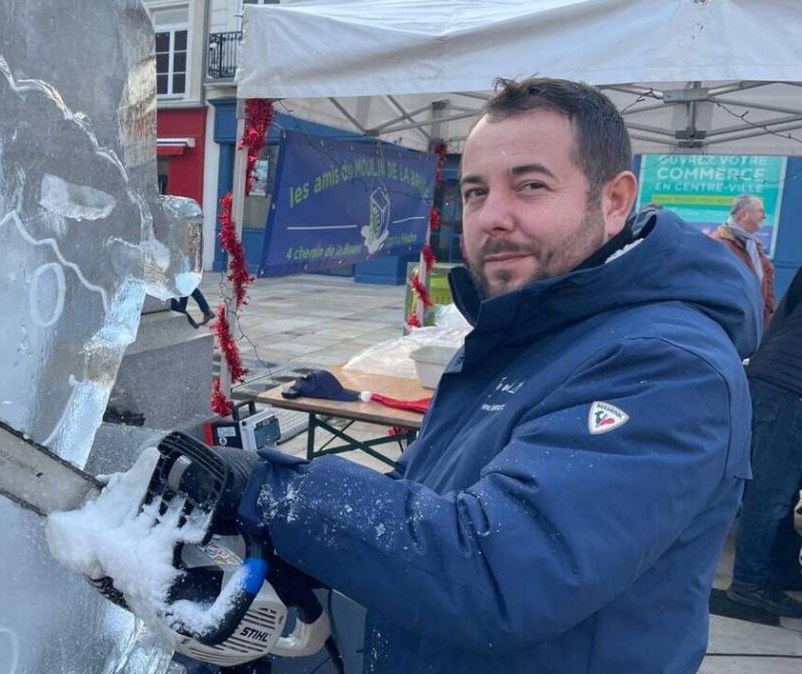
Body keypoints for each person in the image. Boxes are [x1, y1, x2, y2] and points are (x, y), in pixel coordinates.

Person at [200, 78, 760, 673]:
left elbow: (500, 572)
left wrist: (273, 492)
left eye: (530, 186)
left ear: (615, 201)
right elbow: (425, 506)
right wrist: (306, 554)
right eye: (474, 192)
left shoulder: (668, 366)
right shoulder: (528, 330)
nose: (492, 217)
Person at [728, 269, 802, 616]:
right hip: (789, 386)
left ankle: (782, 571)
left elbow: (786, 309)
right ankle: (748, 585)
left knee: (782, 490)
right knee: (771, 494)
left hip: (774, 378)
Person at [710, 194, 776, 328]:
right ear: (744, 215)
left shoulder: (754, 244)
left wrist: (768, 310)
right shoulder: (718, 242)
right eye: (761, 211)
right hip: (732, 322)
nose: (764, 216)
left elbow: (765, 280)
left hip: (754, 321)